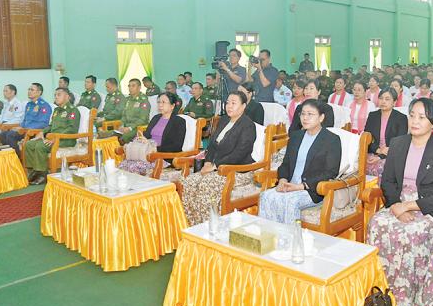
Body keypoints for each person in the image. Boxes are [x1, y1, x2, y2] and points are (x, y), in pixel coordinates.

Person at [366, 97, 433, 306]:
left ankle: (406, 298)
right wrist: (396, 206)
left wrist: (408, 206)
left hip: (430, 207)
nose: (415, 121)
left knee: (411, 231)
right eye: (412, 115)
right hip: (399, 202)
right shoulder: (398, 144)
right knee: (377, 223)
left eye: (422, 117)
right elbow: (387, 181)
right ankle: (380, 290)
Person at [180, 90, 257, 225]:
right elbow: (212, 145)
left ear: (243, 106)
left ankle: (209, 225)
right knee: (189, 182)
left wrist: (215, 166)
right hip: (215, 167)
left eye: (233, 103)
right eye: (227, 103)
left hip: (237, 171)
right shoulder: (224, 120)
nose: (229, 106)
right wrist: (208, 162)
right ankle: (192, 223)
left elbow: (240, 153)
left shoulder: (248, 125)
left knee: (205, 185)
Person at [258, 100, 341, 225]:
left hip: (312, 190)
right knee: (265, 196)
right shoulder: (296, 137)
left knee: (290, 202)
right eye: (303, 114)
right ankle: (268, 235)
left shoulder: (331, 140)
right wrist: (283, 180)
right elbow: (286, 164)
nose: (305, 118)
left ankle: (290, 236)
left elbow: (331, 172)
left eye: (310, 114)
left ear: (321, 117)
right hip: (289, 185)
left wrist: (301, 186)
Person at [118, 92, 187, 176]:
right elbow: (146, 135)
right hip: (146, 152)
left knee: (133, 167)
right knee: (123, 165)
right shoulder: (156, 118)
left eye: (163, 102)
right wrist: (140, 139)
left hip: (163, 156)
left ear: (172, 106)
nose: (160, 105)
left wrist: (154, 148)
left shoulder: (179, 121)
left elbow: (177, 146)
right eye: (159, 102)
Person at [22, 87, 81, 185]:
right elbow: (51, 126)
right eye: (55, 95)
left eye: (59, 95)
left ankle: (42, 174)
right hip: (53, 138)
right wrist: (42, 132)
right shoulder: (57, 110)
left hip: (65, 139)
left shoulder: (73, 110)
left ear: (67, 96)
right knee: (29, 144)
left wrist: (56, 138)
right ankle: (34, 171)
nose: (56, 97)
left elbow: (72, 129)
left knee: (40, 146)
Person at [363, 88, 408, 177]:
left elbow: (400, 143)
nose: (383, 101)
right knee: (359, 164)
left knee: (381, 168)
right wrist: (378, 150)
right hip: (373, 151)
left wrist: (380, 156)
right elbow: (366, 138)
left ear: (394, 102)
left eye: (387, 99)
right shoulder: (372, 116)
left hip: (391, 154)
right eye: (381, 98)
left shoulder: (401, 118)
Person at [0, 82, 52, 157]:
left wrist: (25, 128)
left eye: (32, 90)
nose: (29, 91)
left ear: (39, 92)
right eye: (29, 89)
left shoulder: (44, 105)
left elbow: (43, 123)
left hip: (34, 132)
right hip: (25, 131)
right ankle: (10, 158)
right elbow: (25, 120)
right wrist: (20, 126)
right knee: (3, 134)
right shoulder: (29, 105)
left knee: (11, 135)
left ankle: (17, 158)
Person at [97, 78, 150, 144]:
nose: (130, 88)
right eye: (129, 86)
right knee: (108, 135)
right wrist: (122, 125)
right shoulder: (128, 100)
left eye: (133, 86)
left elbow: (143, 119)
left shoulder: (143, 101)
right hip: (126, 126)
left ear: (139, 87)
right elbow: (124, 115)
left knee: (121, 138)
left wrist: (130, 128)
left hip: (136, 127)